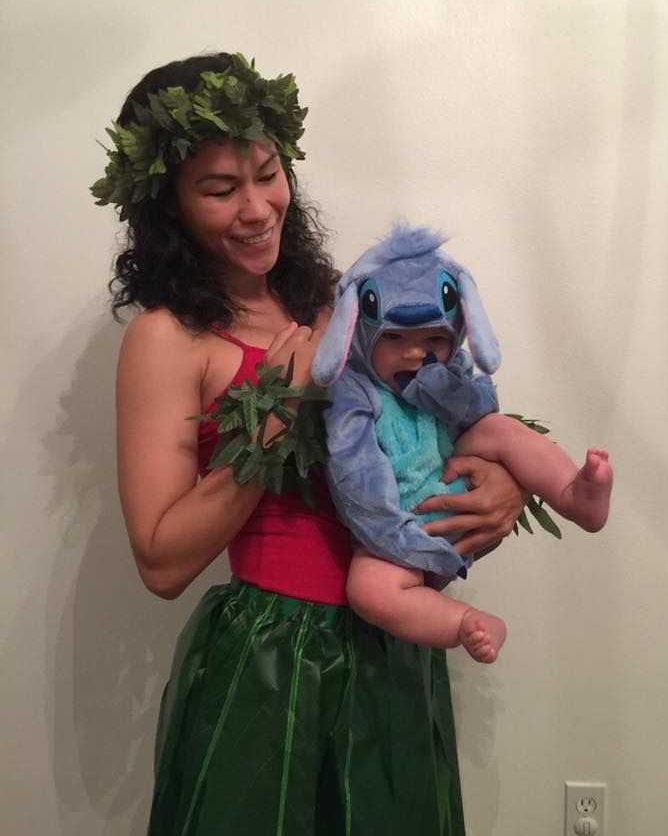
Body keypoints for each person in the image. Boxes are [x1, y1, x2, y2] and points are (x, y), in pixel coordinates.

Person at [98, 52, 526, 836]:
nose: (258, 207)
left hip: (395, 647)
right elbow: (160, 560)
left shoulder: (339, 299)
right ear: (170, 207)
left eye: (267, 174)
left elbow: (435, 424)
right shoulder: (168, 339)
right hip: (269, 667)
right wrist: (274, 418)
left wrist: (503, 482)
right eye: (221, 190)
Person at [312, 225, 613, 664]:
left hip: (453, 488)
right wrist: (403, 541)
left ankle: (574, 492)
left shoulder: (450, 369)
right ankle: (465, 621)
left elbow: (482, 407)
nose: (416, 355)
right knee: (369, 588)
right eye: (394, 339)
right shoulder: (356, 392)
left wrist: (442, 388)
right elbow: (355, 478)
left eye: (434, 339)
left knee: (498, 430)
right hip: (402, 530)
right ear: (360, 334)